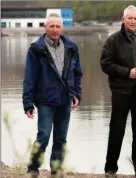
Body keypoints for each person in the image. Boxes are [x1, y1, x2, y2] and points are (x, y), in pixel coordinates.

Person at [100, 5, 136, 178]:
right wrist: (127, 72)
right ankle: (111, 169)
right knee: (116, 130)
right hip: (121, 92)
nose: (133, 21)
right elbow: (105, 64)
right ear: (123, 19)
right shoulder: (113, 40)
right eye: (130, 18)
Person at [22, 13, 83, 178]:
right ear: (45, 27)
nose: (55, 30)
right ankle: (33, 168)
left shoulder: (71, 47)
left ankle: (56, 169)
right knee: (44, 135)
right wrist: (27, 103)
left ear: (62, 28)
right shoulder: (36, 49)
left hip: (65, 100)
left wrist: (76, 94)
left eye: (58, 26)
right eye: (51, 26)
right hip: (45, 100)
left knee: (61, 138)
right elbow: (29, 78)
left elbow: (77, 74)